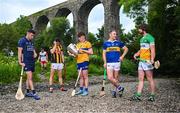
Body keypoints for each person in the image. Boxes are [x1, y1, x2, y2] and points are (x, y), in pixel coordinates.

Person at [132, 24, 156, 102]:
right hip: (141, 61)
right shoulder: (142, 39)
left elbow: (153, 50)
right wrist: (136, 54)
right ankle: (138, 95)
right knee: (141, 79)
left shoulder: (150, 37)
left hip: (147, 61)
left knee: (150, 79)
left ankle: (152, 96)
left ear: (143, 29)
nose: (138, 30)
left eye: (139, 29)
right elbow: (141, 49)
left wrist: (152, 59)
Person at [103, 30, 128, 98]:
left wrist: (122, 56)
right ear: (110, 34)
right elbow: (104, 54)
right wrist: (105, 62)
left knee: (115, 77)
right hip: (109, 63)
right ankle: (120, 88)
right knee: (110, 78)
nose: (115, 35)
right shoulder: (106, 43)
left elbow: (126, 49)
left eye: (116, 34)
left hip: (117, 62)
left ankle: (114, 91)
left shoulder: (118, 43)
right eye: (114, 34)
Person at [68, 32, 93, 96]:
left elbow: (91, 52)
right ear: (79, 38)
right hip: (79, 61)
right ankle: (81, 90)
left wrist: (84, 50)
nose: (82, 38)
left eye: (83, 37)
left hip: (85, 61)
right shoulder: (77, 45)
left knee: (85, 76)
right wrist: (71, 54)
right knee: (80, 77)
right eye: (80, 38)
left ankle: (86, 90)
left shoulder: (87, 43)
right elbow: (76, 55)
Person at [18, 29, 40, 100]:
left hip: (32, 61)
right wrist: (20, 61)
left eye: (33, 36)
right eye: (32, 35)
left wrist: (35, 53)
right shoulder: (22, 41)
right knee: (30, 78)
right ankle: (34, 93)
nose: (32, 37)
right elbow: (19, 52)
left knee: (29, 77)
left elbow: (32, 48)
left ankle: (27, 92)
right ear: (28, 33)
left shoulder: (31, 41)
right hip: (26, 62)